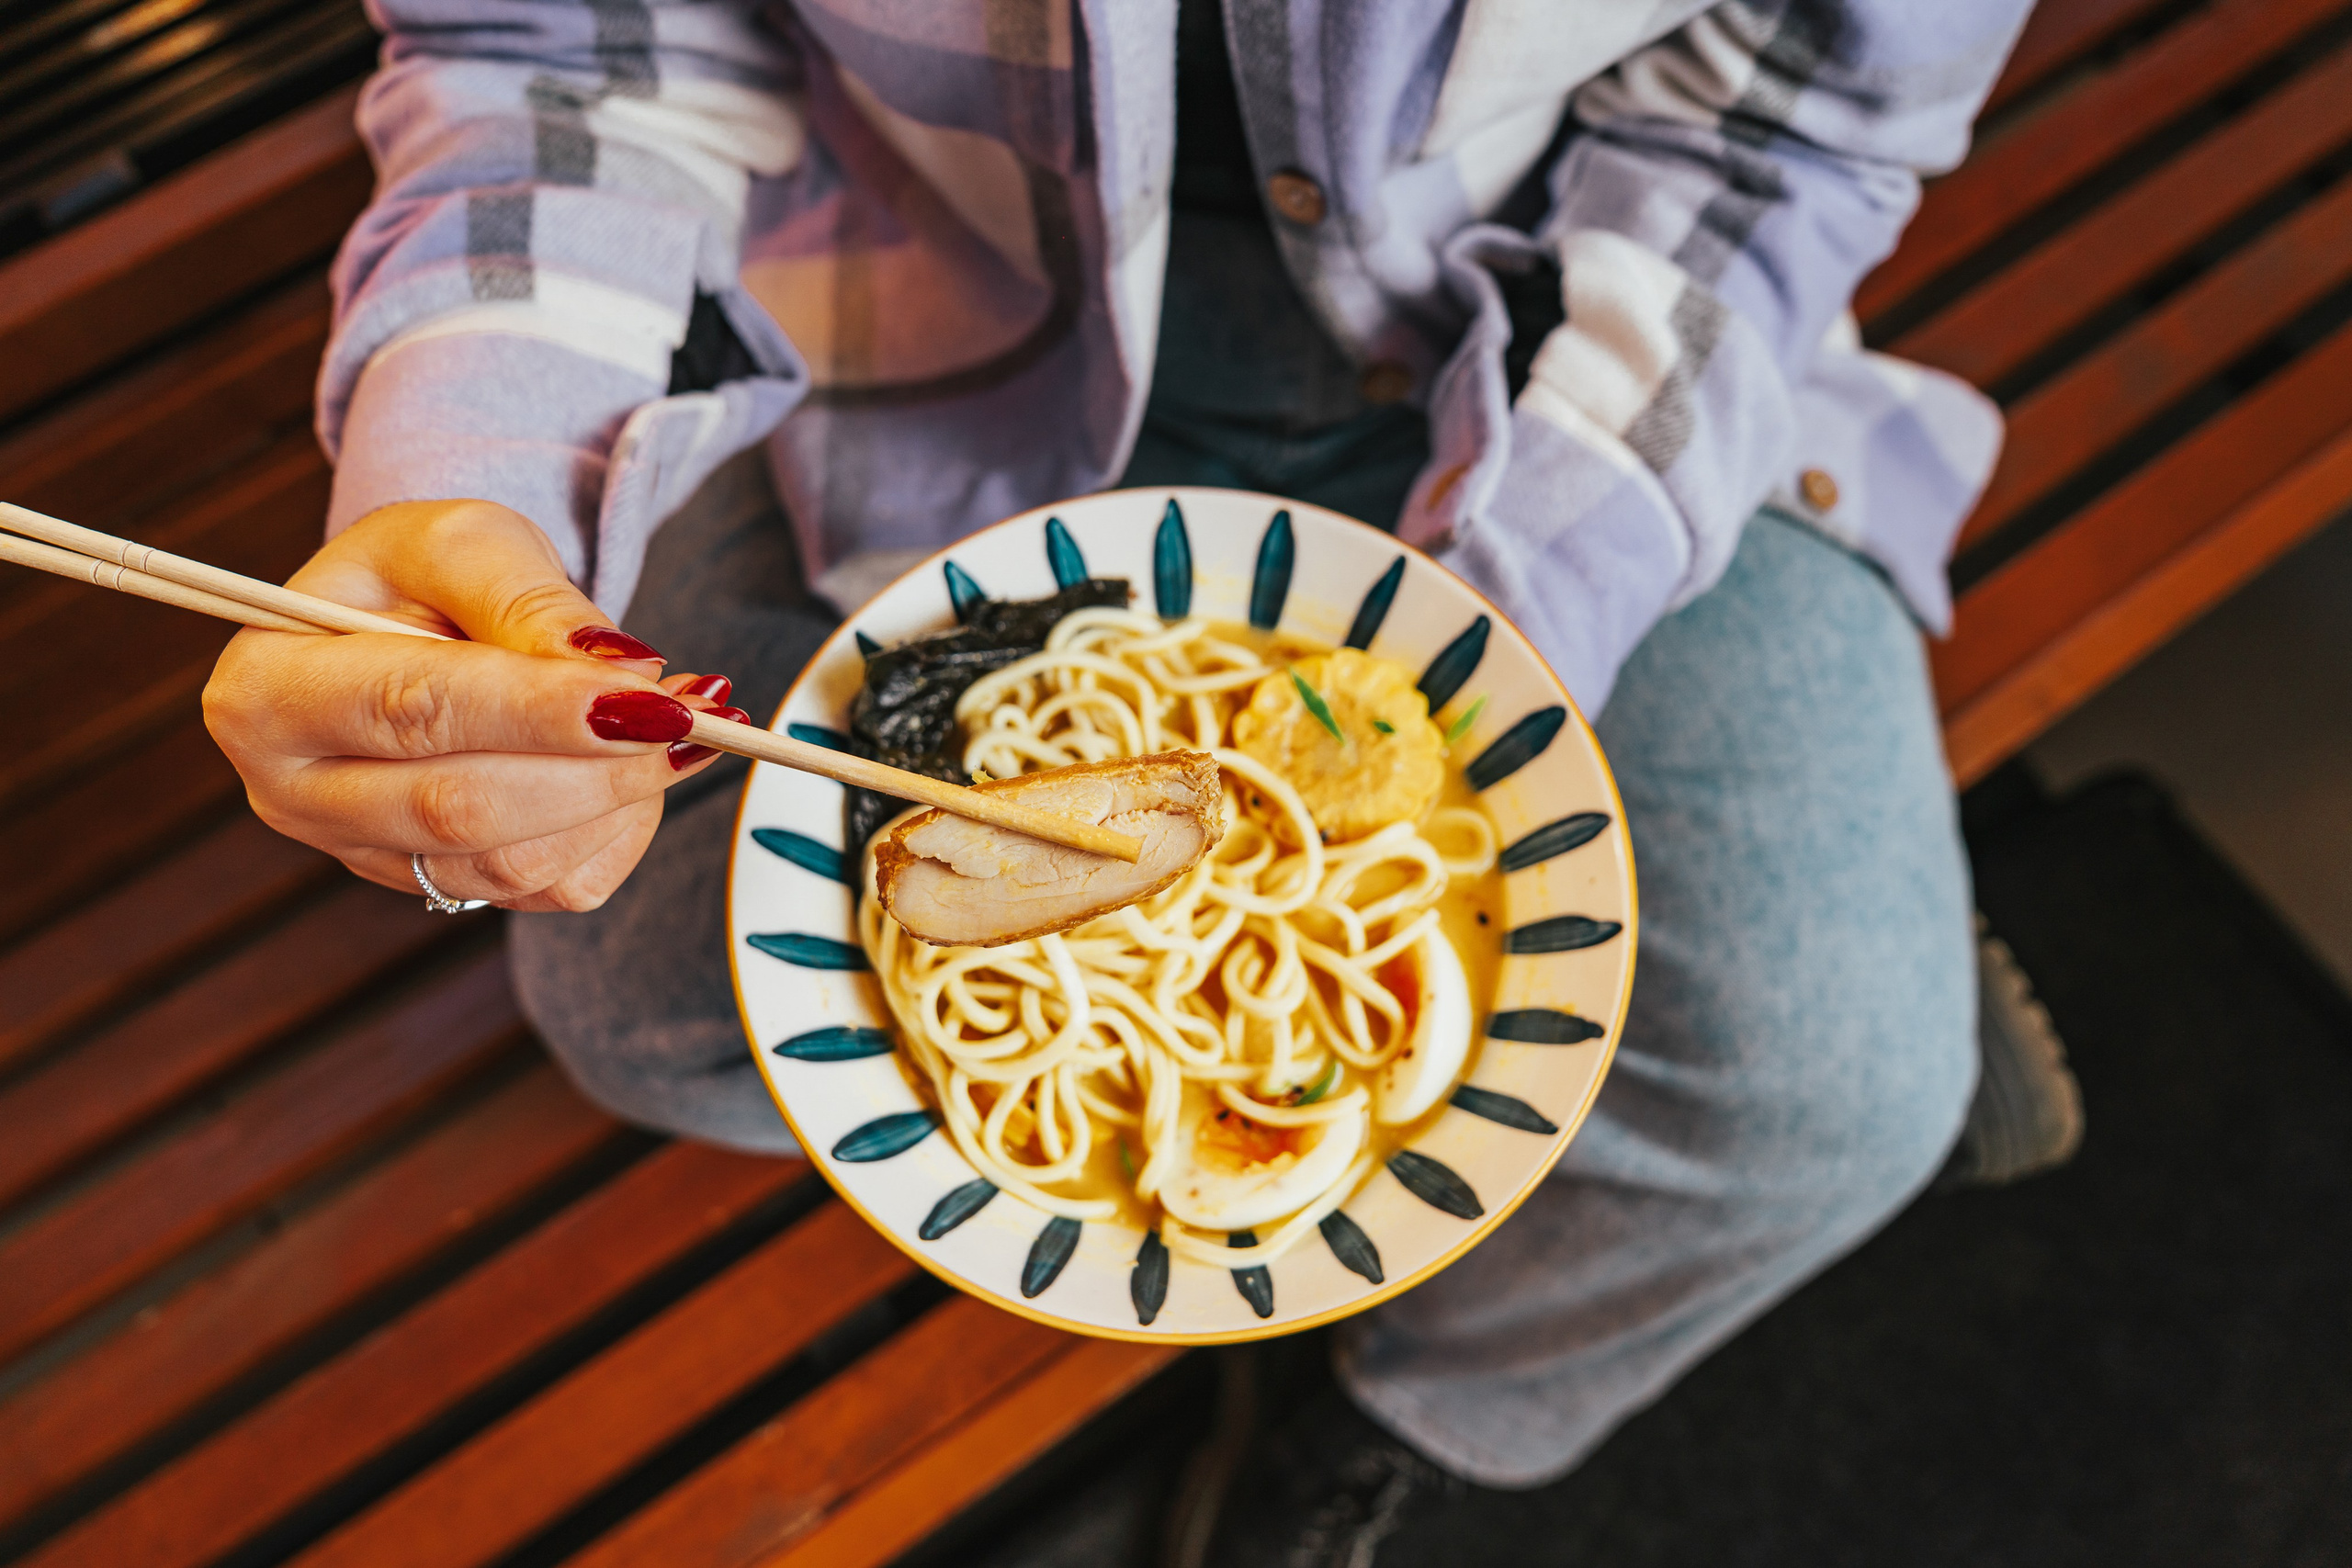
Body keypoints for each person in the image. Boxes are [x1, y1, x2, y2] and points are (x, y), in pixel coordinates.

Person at [202, 1, 2053, 1560]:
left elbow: (1778, 134)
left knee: (1836, 1092)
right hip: (931, 331)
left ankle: (1410, 1401)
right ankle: (1751, 920)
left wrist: (1497, 631)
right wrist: (470, 482)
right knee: (636, 1003)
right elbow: (560, 49)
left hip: (1589, 346)